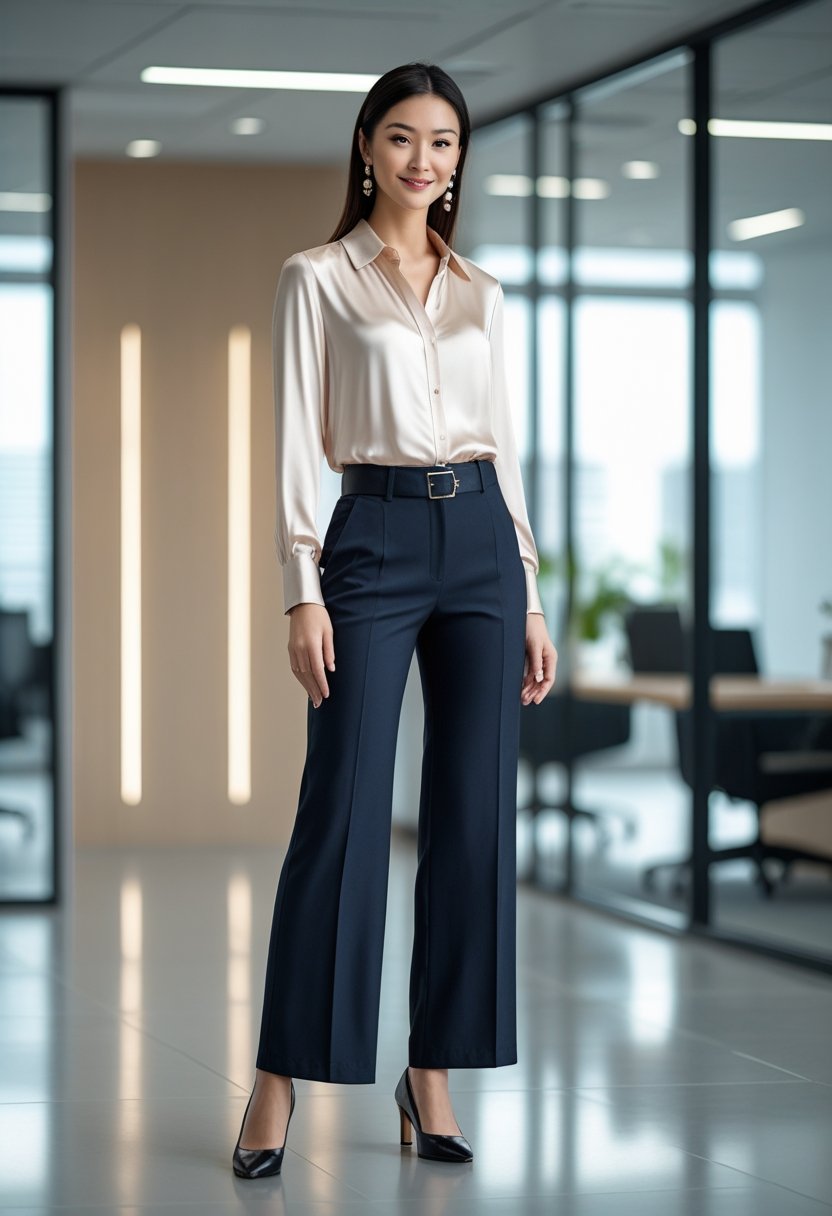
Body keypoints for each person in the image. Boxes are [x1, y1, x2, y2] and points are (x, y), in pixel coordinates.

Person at [232, 60, 558, 1179]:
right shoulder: (314, 279)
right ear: (366, 145)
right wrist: (300, 584)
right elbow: (288, 448)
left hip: (477, 544)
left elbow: (504, 449)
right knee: (342, 810)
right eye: (405, 139)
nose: (426, 161)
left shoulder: (483, 292)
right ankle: (278, 1077)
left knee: (471, 819)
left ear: (459, 161)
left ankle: (432, 1077)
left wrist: (527, 588)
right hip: (368, 535)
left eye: (445, 143)